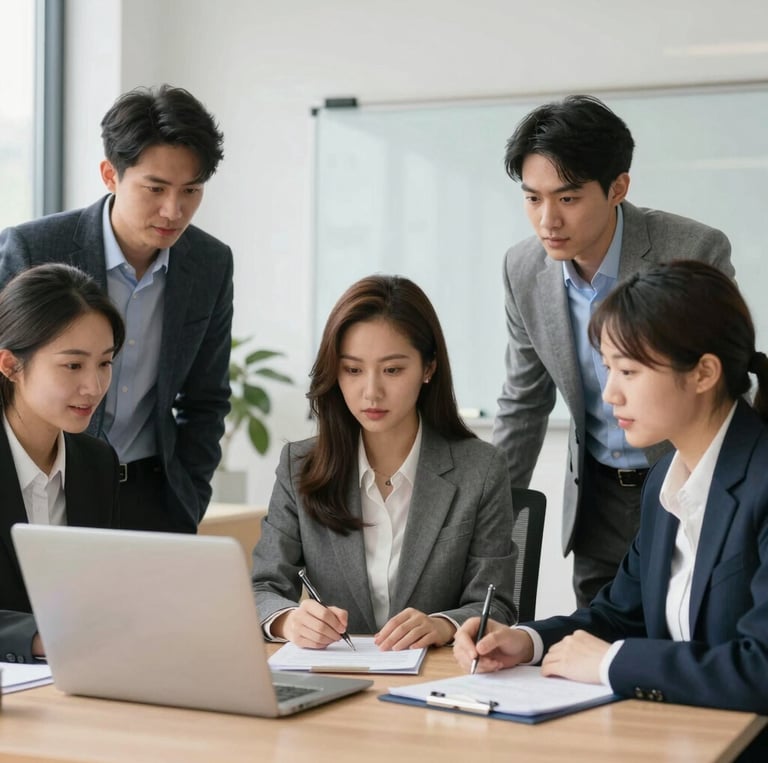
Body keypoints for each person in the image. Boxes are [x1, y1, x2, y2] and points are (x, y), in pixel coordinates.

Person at [455, 261, 768, 724]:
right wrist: (527, 641)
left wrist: (609, 664)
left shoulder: (759, 479)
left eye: (628, 371)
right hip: (681, 736)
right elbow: (619, 615)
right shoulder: (665, 479)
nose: (610, 395)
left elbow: (760, 668)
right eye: (607, 369)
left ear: (704, 373)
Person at [493, 94, 735, 607]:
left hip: (686, 481)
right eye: (533, 198)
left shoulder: (691, 251)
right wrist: (495, 515)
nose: (547, 221)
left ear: (618, 187)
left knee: (689, 633)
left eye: (568, 198)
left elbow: (724, 385)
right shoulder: (523, 270)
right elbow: (523, 402)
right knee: (594, 640)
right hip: (597, 496)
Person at [0, 84, 233, 533]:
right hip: (53, 483)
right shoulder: (34, 247)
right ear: (111, 174)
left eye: (191, 190)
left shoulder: (210, 263)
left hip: (153, 494)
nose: (174, 209)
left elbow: (206, 399)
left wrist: (189, 495)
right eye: (156, 188)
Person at [251, 275, 517, 650]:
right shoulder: (300, 466)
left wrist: (443, 625)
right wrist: (289, 621)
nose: (371, 391)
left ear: (428, 368)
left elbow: (498, 604)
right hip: (338, 678)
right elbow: (263, 587)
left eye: (392, 370)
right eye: (353, 370)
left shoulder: (481, 469)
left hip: (437, 680)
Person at [0, 263, 126, 663]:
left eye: (104, 363)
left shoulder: (96, 463)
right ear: (9, 365)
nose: (93, 387)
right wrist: (40, 638)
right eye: (73, 365)